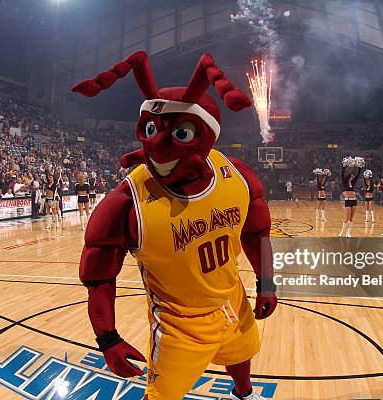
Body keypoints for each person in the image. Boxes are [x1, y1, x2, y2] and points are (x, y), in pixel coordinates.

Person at [73, 51, 276, 400]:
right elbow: (98, 276)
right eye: (150, 129)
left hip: (232, 301)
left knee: (243, 353)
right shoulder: (126, 201)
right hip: (178, 325)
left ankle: (245, 394)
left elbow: (256, 234)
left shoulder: (238, 176)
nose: (157, 145)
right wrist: (107, 338)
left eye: (179, 133)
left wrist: (267, 282)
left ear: (206, 136)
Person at [339, 157, 362, 238]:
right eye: (351, 176)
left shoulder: (353, 182)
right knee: (346, 218)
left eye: (353, 176)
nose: (352, 177)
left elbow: (358, 175)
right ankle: (342, 232)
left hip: (354, 200)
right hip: (347, 201)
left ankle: (349, 233)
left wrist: (359, 167)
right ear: (348, 176)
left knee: (351, 219)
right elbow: (342, 173)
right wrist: (344, 166)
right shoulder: (344, 181)